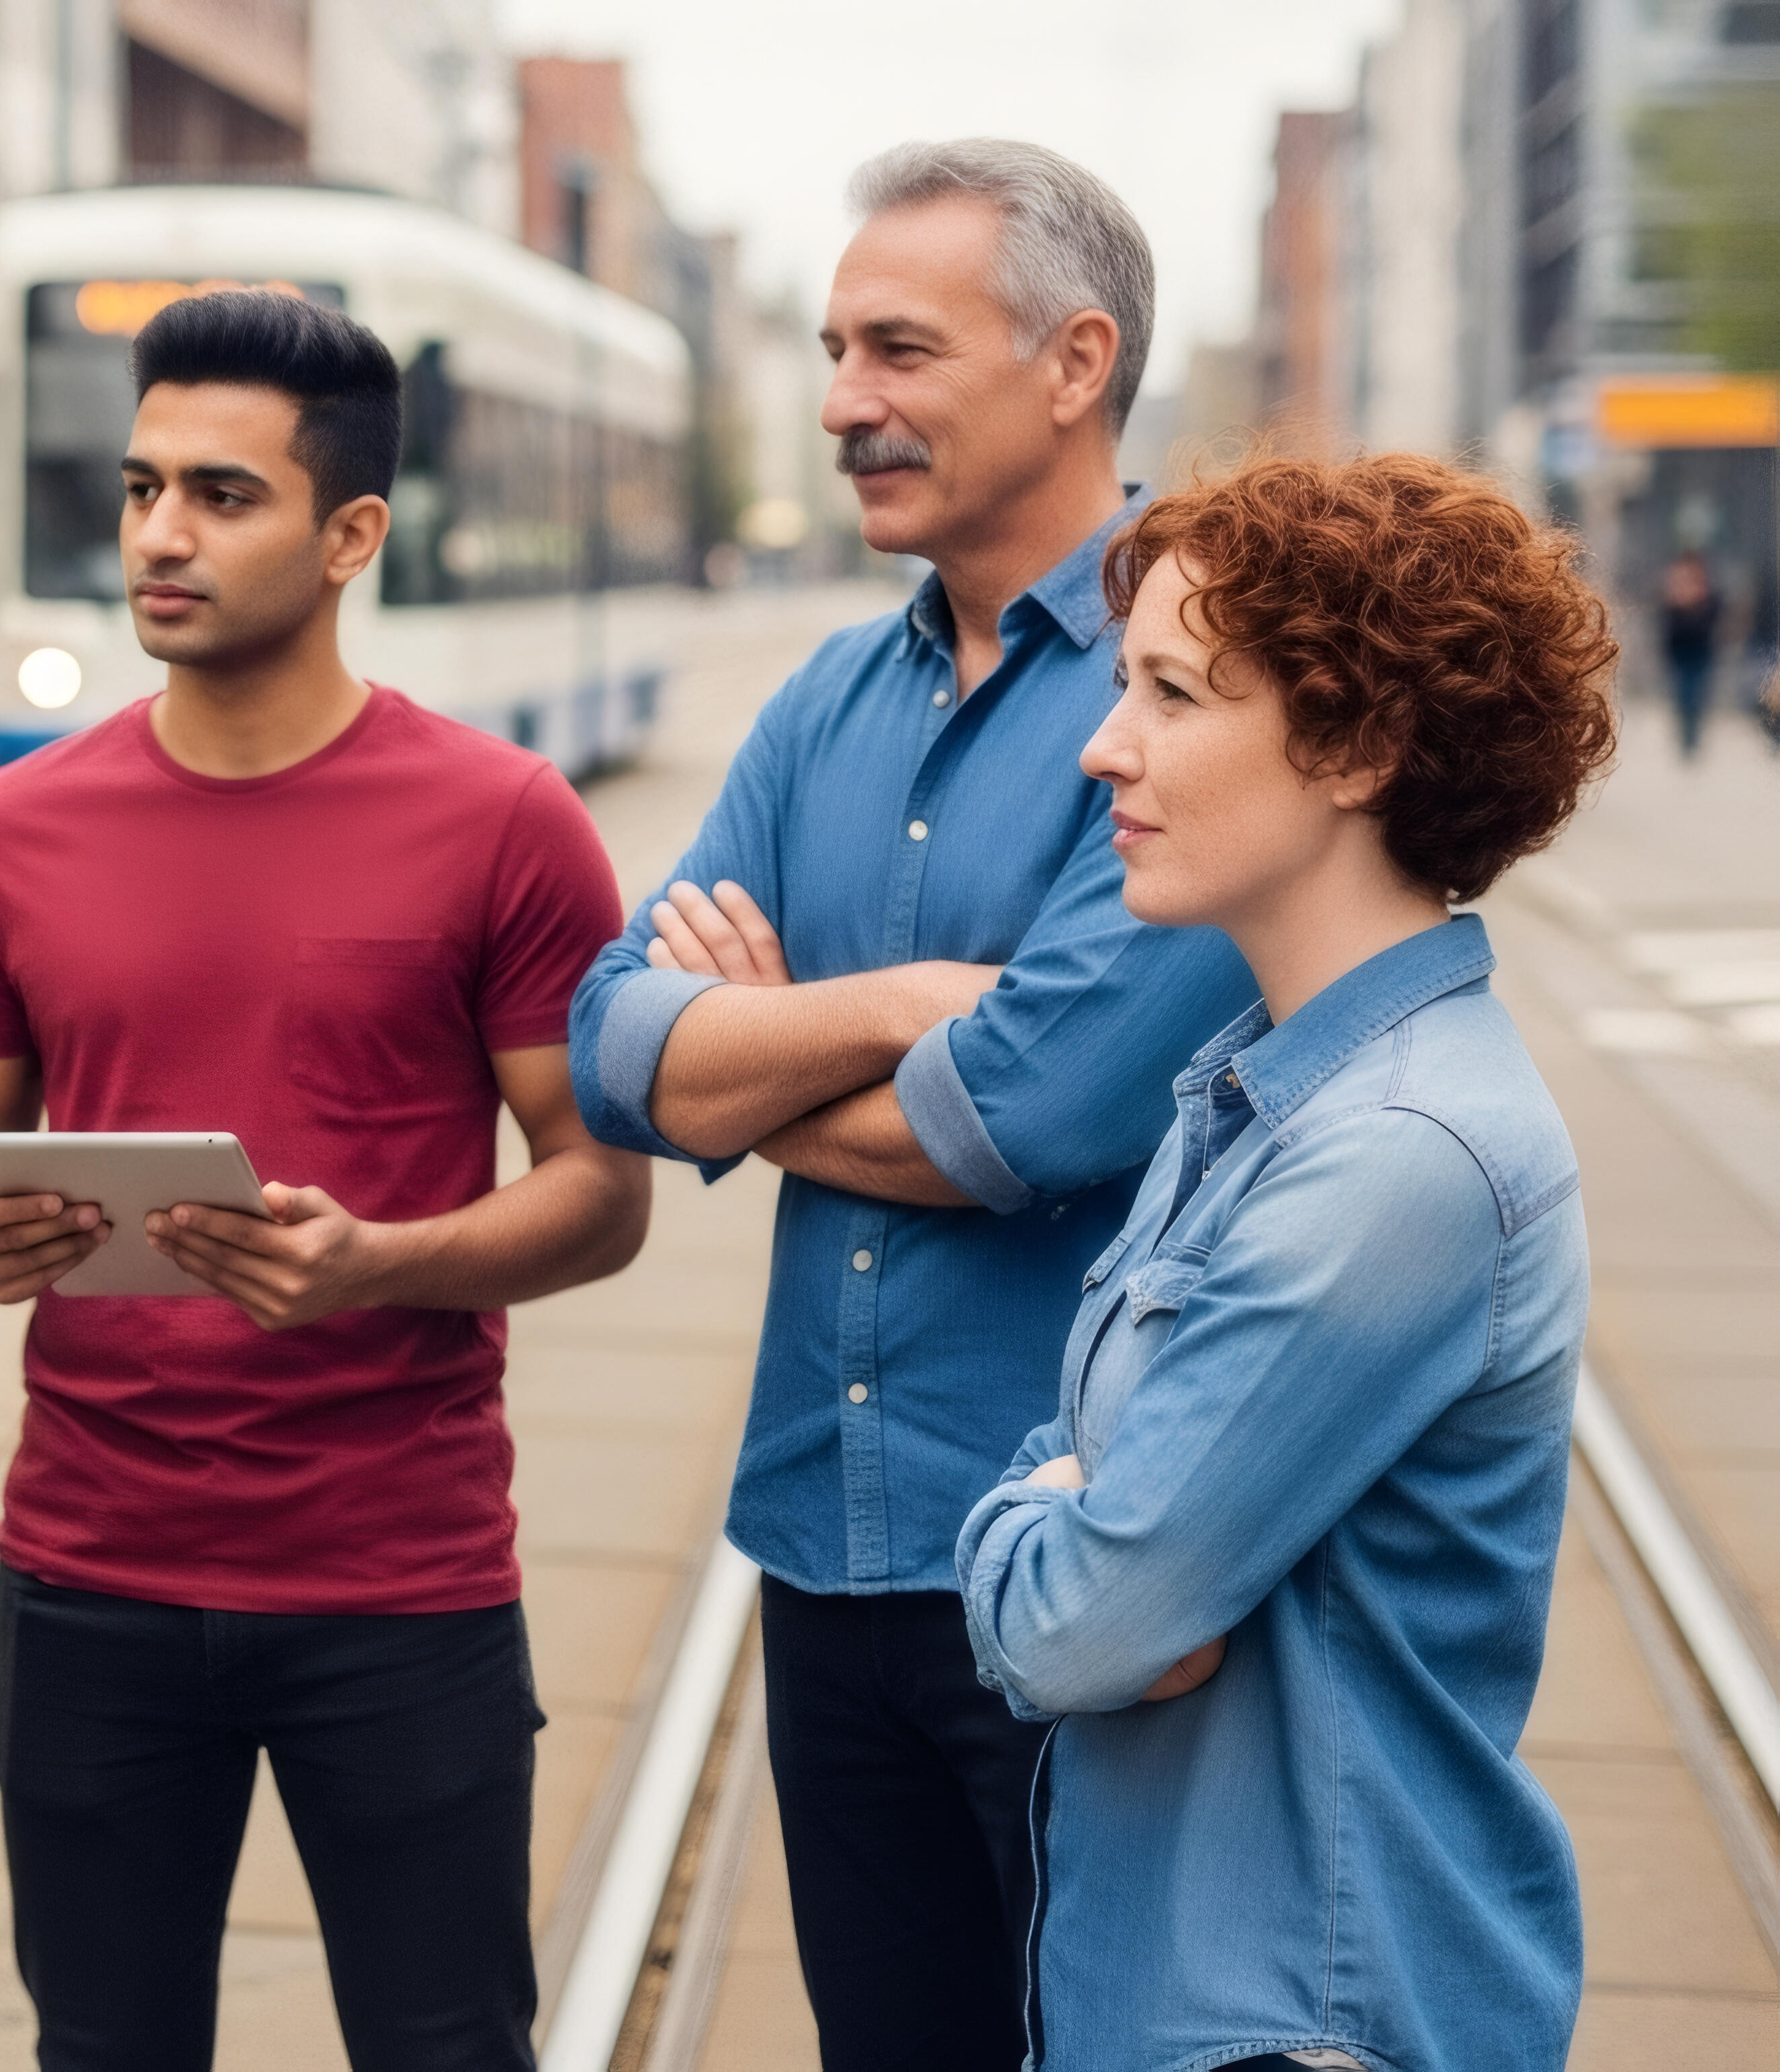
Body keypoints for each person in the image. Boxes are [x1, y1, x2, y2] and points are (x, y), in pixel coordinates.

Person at [565, 141, 1257, 2071]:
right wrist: (877, 1013)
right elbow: (610, 1048)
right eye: (830, 348)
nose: (841, 401)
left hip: (1084, 1573)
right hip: (822, 1544)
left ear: (1074, 361)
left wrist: (755, 1062)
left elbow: (1021, 1119)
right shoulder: (819, 706)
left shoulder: (1192, 687)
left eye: (897, 349)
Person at [0, 289, 653, 2070]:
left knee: (448, 2045)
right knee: (102, 2050)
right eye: (143, 483)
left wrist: (379, 1263)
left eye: (222, 496)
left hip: (400, 1584)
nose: (159, 532)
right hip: (89, 1573)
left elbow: (601, 1194)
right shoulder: (12, 832)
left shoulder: (506, 821)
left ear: (350, 537)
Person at [958, 453, 1616, 2072]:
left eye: (1172, 693)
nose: (1102, 746)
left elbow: (1082, 1631)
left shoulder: (1391, 1152)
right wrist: (1063, 1513)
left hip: (1302, 2014)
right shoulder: (1257, 1086)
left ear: (1358, 744)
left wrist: (1031, 1518)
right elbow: (1115, 1577)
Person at [1659, 546, 1721, 762]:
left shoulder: (1707, 593)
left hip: (1700, 648)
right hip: (1680, 649)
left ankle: (1692, 738)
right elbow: (1666, 620)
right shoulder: (1674, 590)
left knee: (1695, 693)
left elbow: (1715, 616)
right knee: (1683, 693)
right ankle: (1686, 738)